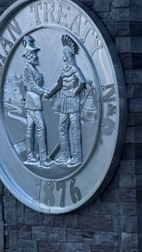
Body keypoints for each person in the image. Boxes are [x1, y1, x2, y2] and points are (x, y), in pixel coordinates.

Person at [46, 35, 89, 165]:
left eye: (64, 53)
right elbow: (58, 84)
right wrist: (49, 93)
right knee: (62, 128)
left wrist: (75, 91)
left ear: (67, 55)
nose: (63, 55)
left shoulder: (74, 69)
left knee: (75, 128)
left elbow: (82, 81)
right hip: (64, 102)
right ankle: (65, 156)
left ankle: (76, 157)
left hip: (73, 101)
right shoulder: (63, 70)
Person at [17, 35, 48, 163]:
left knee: (30, 129)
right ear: (29, 56)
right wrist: (45, 92)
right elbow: (32, 86)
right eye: (34, 54)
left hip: (34, 101)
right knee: (40, 128)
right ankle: (43, 158)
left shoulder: (32, 69)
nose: (36, 57)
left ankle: (30, 155)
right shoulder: (27, 69)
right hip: (33, 102)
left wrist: (45, 92)